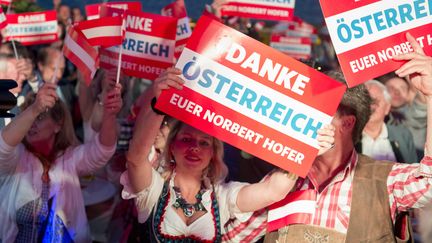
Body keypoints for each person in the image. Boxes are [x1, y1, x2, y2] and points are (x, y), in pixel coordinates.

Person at [120, 67, 336, 242]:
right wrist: (159, 104)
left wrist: (307, 149)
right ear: (172, 148)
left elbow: (273, 190)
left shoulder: (221, 197)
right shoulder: (154, 191)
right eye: (186, 139)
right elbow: (135, 158)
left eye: (204, 143)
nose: (195, 147)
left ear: (213, 154)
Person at [264, 32, 432, 242]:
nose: (305, 118)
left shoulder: (383, 179)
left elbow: (429, 183)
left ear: (347, 123)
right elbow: (231, 230)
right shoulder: (283, 177)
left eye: (320, 111)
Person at [0, 82, 122, 242]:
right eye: (29, 117)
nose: (32, 124)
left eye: (40, 117)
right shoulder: (17, 157)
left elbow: (102, 150)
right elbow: (3, 146)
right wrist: (35, 108)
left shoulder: (68, 158)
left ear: (58, 125)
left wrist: (109, 113)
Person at [356, 80, 418, 163]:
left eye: (375, 101)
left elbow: (412, 169)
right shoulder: (347, 138)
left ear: (387, 107)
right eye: (365, 101)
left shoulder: (402, 135)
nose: (371, 106)